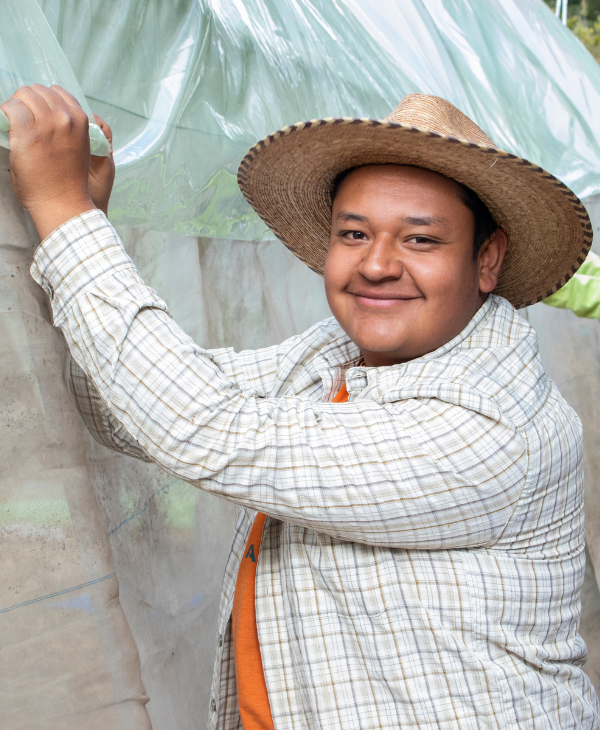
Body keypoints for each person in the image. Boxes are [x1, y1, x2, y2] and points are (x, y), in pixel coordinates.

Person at [2, 84, 599, 730]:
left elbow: (202, 427)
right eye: (354, 232)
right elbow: (125, 409)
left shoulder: (494, 423)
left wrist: (66, 213)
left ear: (488, 259)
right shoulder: (336, 357)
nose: (376, 264)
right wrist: (88, 224)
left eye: (420, 241)